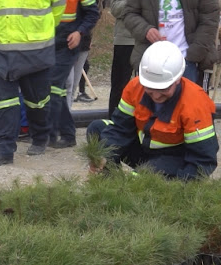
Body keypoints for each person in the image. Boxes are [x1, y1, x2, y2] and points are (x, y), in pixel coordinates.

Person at [87, 41, 218, 180]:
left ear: (178, 79)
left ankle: (141, 180)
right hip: (144, 151)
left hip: (175, 159)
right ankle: (108, 185)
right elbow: (120, 129)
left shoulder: (195, 103)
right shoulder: (134, 88)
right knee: (97, 129)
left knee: (141, 177)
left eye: (163, 89)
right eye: (150, 88)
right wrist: (104, 155)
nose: (156, 95)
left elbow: (203, 159)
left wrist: (180, 189)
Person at [0, 1, 66, 166]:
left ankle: (40, 136)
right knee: (5, 102)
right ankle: (3, 150)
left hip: (37, 49)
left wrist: (42, 29)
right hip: (3, 47)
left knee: (37, 102)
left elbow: (59, 7)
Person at [124, 0, 219, 87]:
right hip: (151, 60)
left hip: (189, 60)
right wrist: (146, 30)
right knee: (149, 103)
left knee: (189, 103)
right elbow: (130, 14)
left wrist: (195, 53)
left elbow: (210, 19)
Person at [47, 0, 100, 149]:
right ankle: (66, 134)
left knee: (54, 88)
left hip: (66, 45)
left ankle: (52, 135)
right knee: (55, 90)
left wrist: (80, 32)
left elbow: (93, 13)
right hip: (45, 42)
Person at [107, 0, 134, 118]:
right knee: (120, 85)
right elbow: (115, 9)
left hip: (150, 39)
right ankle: (114, 122)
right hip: (125, 40)